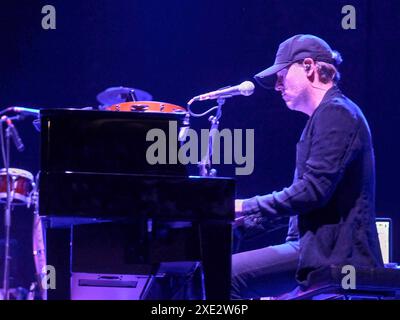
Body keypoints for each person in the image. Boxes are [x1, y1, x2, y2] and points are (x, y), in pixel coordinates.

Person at [232, 34, 384, 299]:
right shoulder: (325, 116)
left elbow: (312, 192)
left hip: (335, 255)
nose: (277, 86)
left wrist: (244, 206)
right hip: (313, 249)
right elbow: (306, 203)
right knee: (210, 272)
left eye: (281, 75)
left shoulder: (337, 113)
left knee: (224, 276)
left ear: (309, 67)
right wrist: (244, 223)